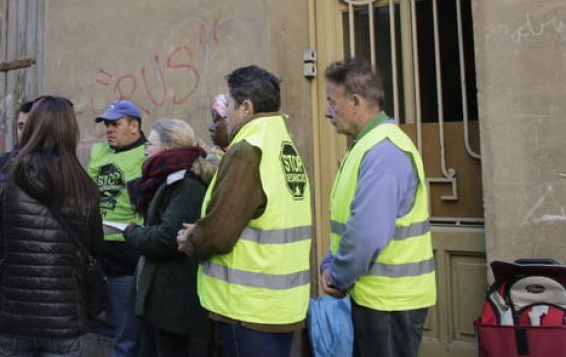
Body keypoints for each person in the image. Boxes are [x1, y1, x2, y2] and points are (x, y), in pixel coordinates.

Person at [0, 96, 105, 357]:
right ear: (70, 131)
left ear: (33, 127)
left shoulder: (2, 179)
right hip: (64, 320)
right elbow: (96, 249)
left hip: (12, 319)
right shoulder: (84, 187)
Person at [176, 66, 312, 357]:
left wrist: (192, 238)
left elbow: (220, 233)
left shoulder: (248, 148)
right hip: (281, 306)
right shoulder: (283, 144)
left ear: (246, 107)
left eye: (230, 106)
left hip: (247, 308)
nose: (225, 116)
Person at [319, 59, 436, 357]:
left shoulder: (383, 152)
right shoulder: (369, 146)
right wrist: (330, 264)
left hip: (390, 305)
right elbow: (351, 222)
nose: (327, 112)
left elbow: (367, 234)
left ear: (356, 102)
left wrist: (337, 275)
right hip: (381, 302)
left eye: (332, 103)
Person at [122, 119, 215, 357]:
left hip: (176, 303)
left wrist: (130, 232)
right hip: (163, 300)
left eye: (150, 145)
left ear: (169, 147)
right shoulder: (169, 179)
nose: (146, 151)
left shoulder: (187, 185)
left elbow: (166, 237)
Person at [88, 99, 148, 357]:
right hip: (96, 251)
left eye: (116, 124)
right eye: (107, 124)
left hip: (127, 254)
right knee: (93, 324)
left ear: (134, 126)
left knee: (126, 334)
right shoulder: (99, 152)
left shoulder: (146, 155)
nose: (109, 129)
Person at [0, 97, 41, 175]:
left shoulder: (52, 165)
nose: (24, 132)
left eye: (30, 126)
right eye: (21, 127)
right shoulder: (2, 164)